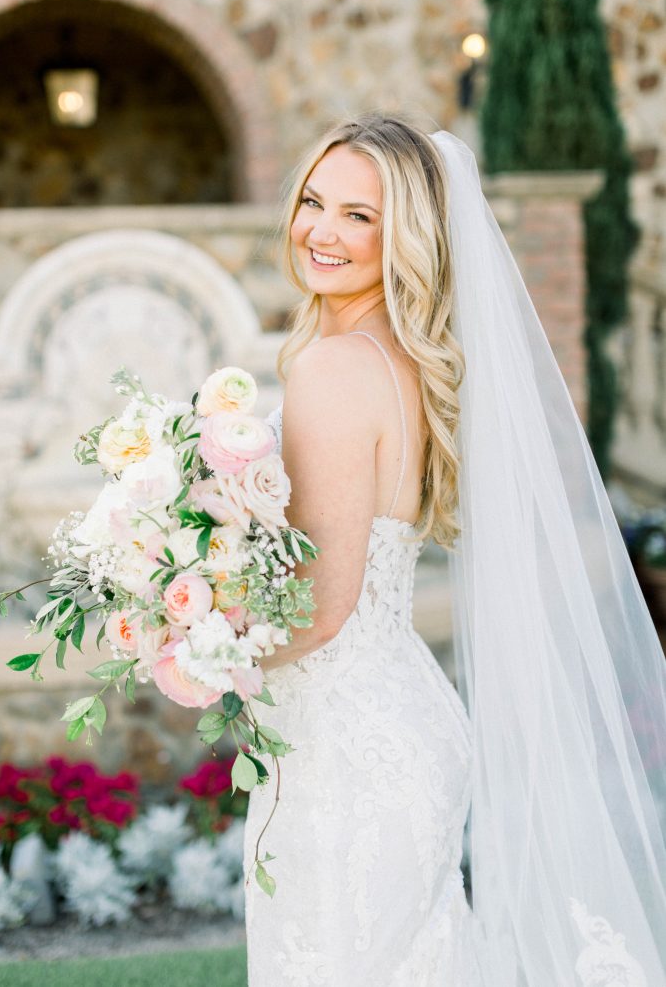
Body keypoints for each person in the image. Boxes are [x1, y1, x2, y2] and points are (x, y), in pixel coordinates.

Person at [242, 112, 666, 986]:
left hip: (343, 755)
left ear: (408, 235)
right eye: (314, 201)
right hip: (404, 726)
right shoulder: (402, 358)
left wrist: (198, 651)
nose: (322, 230)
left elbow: (321, 609)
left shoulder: (330, 368)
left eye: (361, 215)